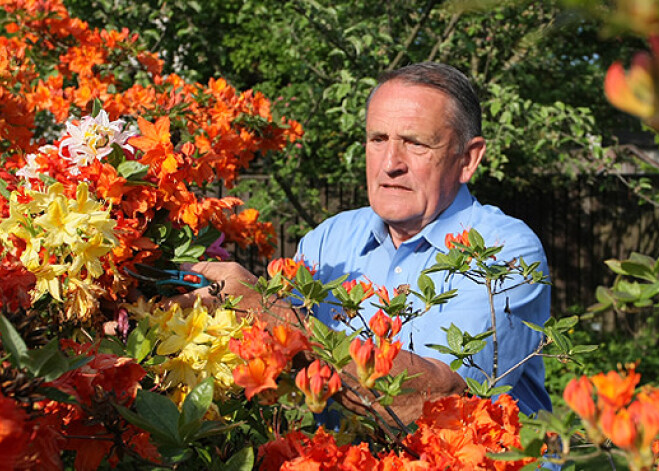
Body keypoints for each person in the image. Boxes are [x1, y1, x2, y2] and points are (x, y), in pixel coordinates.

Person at [175, 62, 552, 424]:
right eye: (377, 139)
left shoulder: (501, 252)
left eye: (415, 143)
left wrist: (268, 311)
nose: (390, 163)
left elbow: (444, 402)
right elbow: (284, 368)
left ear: (467, 159)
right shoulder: (328, 239)